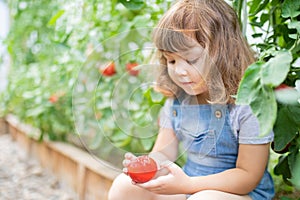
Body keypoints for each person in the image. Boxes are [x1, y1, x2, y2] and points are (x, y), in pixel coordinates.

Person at [108, 0, 275, 199]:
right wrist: (146, 166)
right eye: (171, 60)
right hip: (189, 188)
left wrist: (189, 185)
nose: (179, 70)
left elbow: (247, 176)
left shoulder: (246, 106)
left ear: (224, 53)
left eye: (191, 60)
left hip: (239, 194)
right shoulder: (179, 103)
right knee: (125, 185)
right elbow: (163, 154)